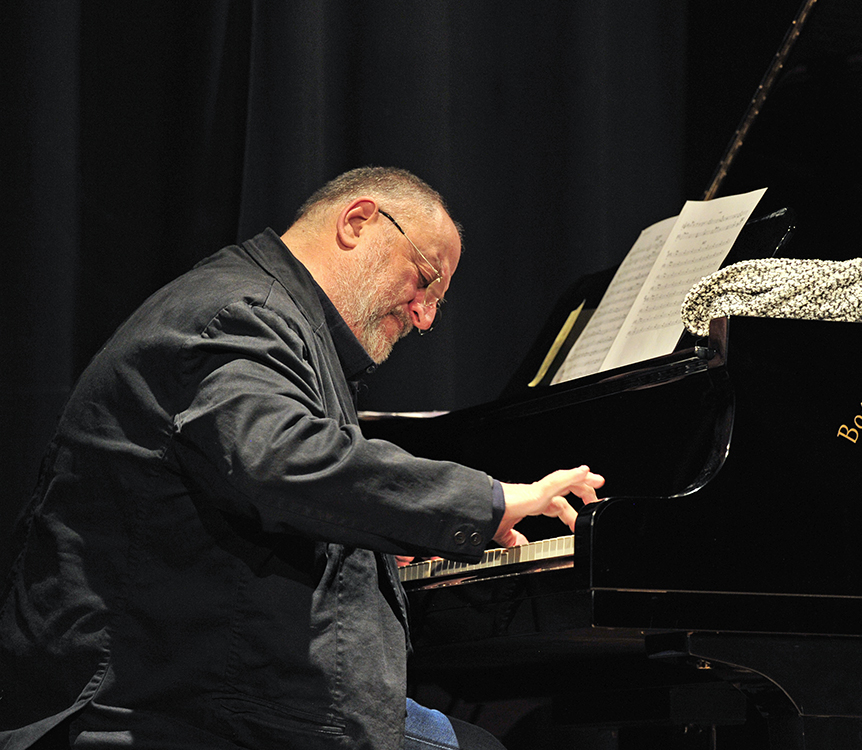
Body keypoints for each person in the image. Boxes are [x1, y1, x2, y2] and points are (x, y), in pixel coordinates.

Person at [0, 167, 604, 749]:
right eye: (425, 279)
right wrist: (491, 499)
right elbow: (283, 461)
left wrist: (374, 537)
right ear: (359, 221)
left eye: (436, 303)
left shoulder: (264, 309)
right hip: (161, 702)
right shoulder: (243, 313)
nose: (423, 317)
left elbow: (245, 488)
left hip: (197, 682)